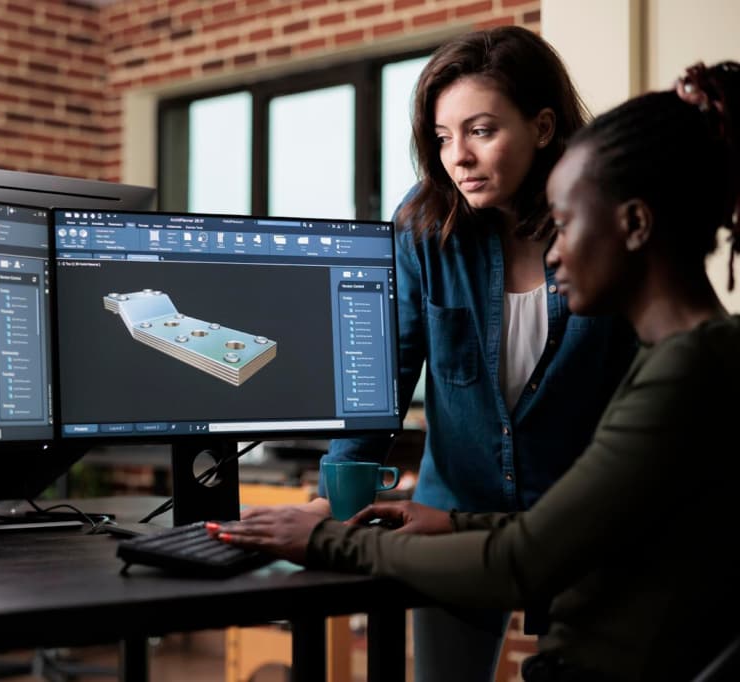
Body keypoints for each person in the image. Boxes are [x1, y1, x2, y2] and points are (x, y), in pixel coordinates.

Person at [217, 60, 740, 682]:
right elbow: (386, 375)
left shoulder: (677, 367)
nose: (457, 157)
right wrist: (350, 503)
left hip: (561, 546)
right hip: (497, 518)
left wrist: (332, 541)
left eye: (481, 130)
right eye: (441, 138)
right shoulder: (428, 227)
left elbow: (532, 555)